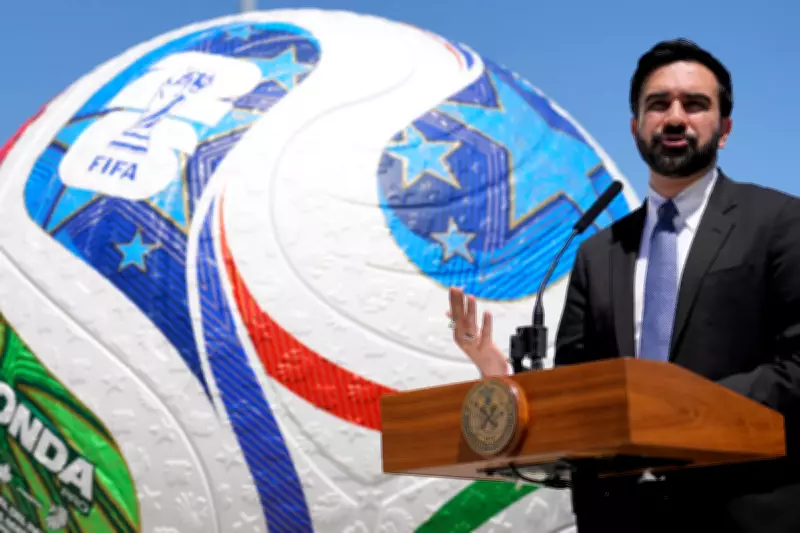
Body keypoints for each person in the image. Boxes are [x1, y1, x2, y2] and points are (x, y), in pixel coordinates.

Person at [447, 38, 800, 533]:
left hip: (741, 512)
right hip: (618, 515)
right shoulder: (598, 253)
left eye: (695, 104)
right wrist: (503, 382)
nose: (674, 118)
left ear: (724, 129)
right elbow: (578, 392)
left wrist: (678, 409)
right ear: (636, 128)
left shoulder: (781, 222)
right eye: (658, 104)